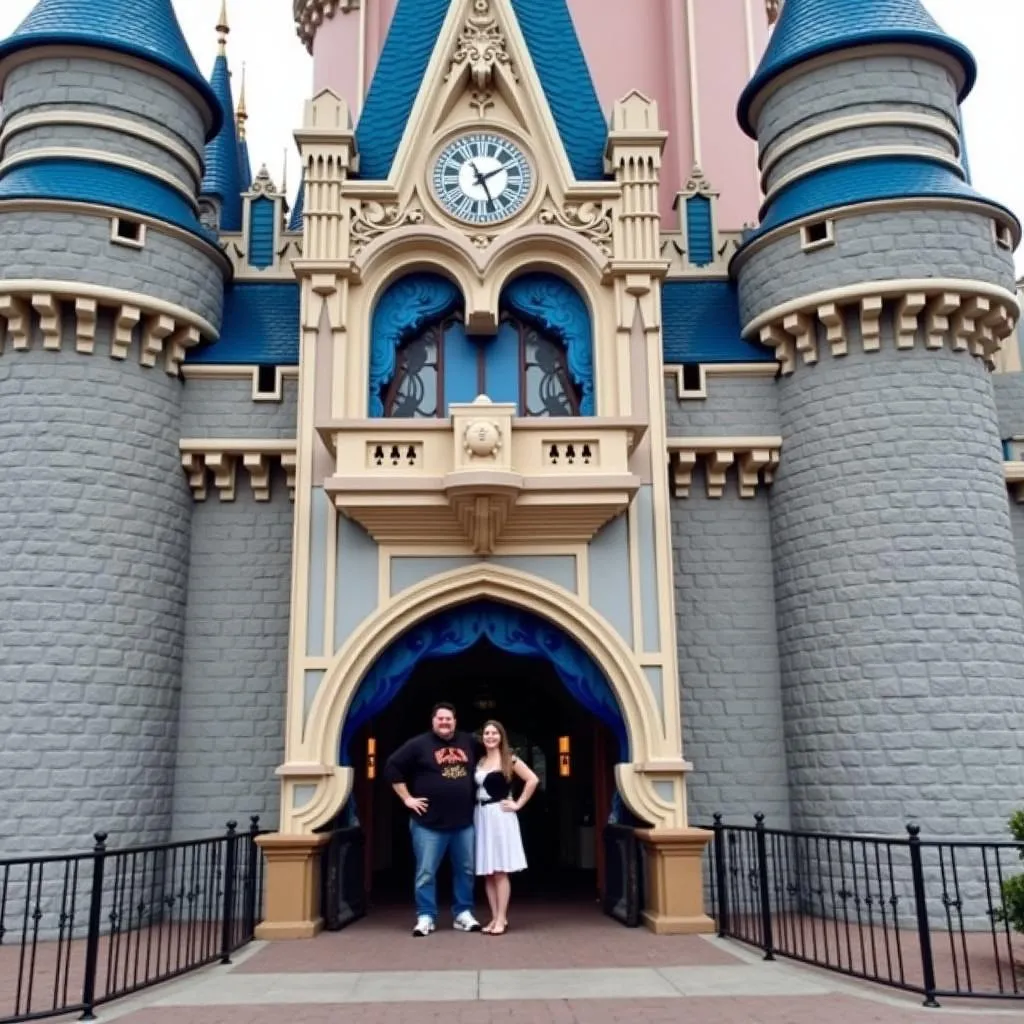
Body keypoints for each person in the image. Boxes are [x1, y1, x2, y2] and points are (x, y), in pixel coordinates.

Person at [383, 702, 484, 937]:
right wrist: (407, 798)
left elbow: (493, 755)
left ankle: (463, 913)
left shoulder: (469, 742)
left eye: (449, 719)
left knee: (466, 870)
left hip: (464, 822)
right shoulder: (418, 745)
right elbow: (392, 767)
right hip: (427, 823)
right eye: (440, 719)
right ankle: (426, 915)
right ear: (433, 721)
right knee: (426, 871)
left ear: (455, 721)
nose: (445, 722)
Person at [474, 719, 539, 935]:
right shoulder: (480, 760)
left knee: (500, 871)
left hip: (500, 816)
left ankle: (502, 918)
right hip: (481, 815)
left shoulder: (509, 759)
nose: (490, 737)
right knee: (488, 872)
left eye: (494, 733)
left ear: (501, 737)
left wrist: (518, 804)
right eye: (486, 733)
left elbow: (532, 779)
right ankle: (494, 917)